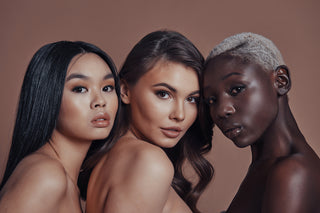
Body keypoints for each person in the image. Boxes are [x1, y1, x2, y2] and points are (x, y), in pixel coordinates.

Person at [84, 30, 214, 213]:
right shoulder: (149, 162)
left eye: (192, 99)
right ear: (125, 91)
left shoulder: (115, 156)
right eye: (164, 94)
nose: (180, 115)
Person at [203, 32, 320, 213]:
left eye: (236, 89)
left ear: (281, 81)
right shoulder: (266, 166)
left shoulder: (293, 172)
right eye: (211, 100)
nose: (221, 110)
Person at [0, 41, 120, 213]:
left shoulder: (67, 180)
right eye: (80, 89)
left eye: (107, 87)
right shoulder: (45, 175)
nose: (100, 101)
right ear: (48, 97)